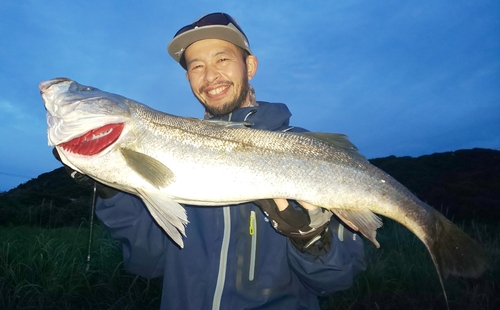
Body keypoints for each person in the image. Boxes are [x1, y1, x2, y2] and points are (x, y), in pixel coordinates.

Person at [59, 12, 366, 310]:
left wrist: (310, 238)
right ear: (188, 78)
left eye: (222, 59)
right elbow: (149, 264)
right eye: (196, 66)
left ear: (250, 65)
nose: (210, 76)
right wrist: (114, 191)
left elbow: (337, 281)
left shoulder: (308, 151)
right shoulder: (174, 156)